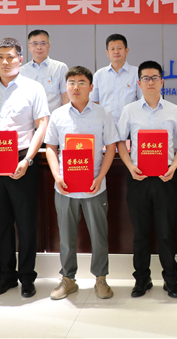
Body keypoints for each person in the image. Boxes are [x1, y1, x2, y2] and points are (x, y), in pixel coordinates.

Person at [0, 38, 49, 298]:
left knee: (26, 223)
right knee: (0, 222)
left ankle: (27, 277)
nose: (5, 62)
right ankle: (6, 276)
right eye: (0, 57)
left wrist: (28, 160)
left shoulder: (33, 88)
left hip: (22, 160)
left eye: (10, 57)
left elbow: (42, 124)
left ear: (20, 59)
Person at [45, 66, 119, 301]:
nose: (75, 87)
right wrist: (57, 176)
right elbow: (51, 148)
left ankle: (101, 279)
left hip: (94, 186)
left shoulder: (103, 114)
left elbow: (111, 148)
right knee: (66, 237)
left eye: (81, 82)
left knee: (99, 236)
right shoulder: (58, 115)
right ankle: (68, 279)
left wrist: (100, 177)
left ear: (91, 87)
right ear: (66, 87)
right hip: (65, 187)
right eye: (71, 83)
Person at [117, 61, 177, 299]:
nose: (150, 82)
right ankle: (142, 280)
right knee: (140, 233)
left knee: (166, 232)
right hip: (138, 178)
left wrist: (173, 167)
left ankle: (171, 280)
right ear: (139, 83)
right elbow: (120, 142)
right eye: (145, 78)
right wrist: (130, 166)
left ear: (162, 81)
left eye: (155, 78)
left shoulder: (174, 111)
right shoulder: (129, 110)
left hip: (165, 178)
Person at [92, 34, 142, 126]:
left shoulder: (137, 73)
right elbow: (94, 102)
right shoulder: (99, 75)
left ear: (126, 51)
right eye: (112, 49)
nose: (116, 52)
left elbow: (142, 101)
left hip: (130, 125)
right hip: (105, 125)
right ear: (107, 53)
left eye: (119, 48)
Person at [20, 29, 70, 112]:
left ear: (49, 46)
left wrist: (64, 116)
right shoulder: (21, 71)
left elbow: (66, 95)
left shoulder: (60, 68)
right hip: (29, 118)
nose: (39, 47)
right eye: (35, 44)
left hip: (53, 118)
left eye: (43, 43)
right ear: (29, 47)